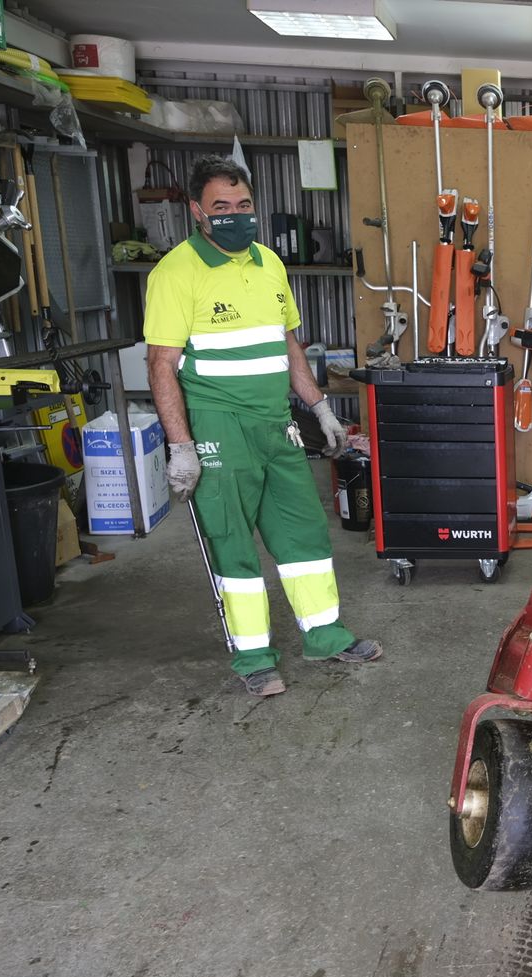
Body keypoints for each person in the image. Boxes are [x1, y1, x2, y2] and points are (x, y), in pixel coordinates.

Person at [145, 155, 381, 697]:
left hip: (276, 422)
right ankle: (253, 656)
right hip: (217, 422)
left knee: (304, 530)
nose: (235, 215)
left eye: (243, 205)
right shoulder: (176, 273)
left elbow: (288, 344)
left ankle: (325, 635)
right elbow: (161, 364)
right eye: (221, 207)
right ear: (197, 212)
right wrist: (181, 447)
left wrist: (318, 406)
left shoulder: (269, 263)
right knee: (233, 541)